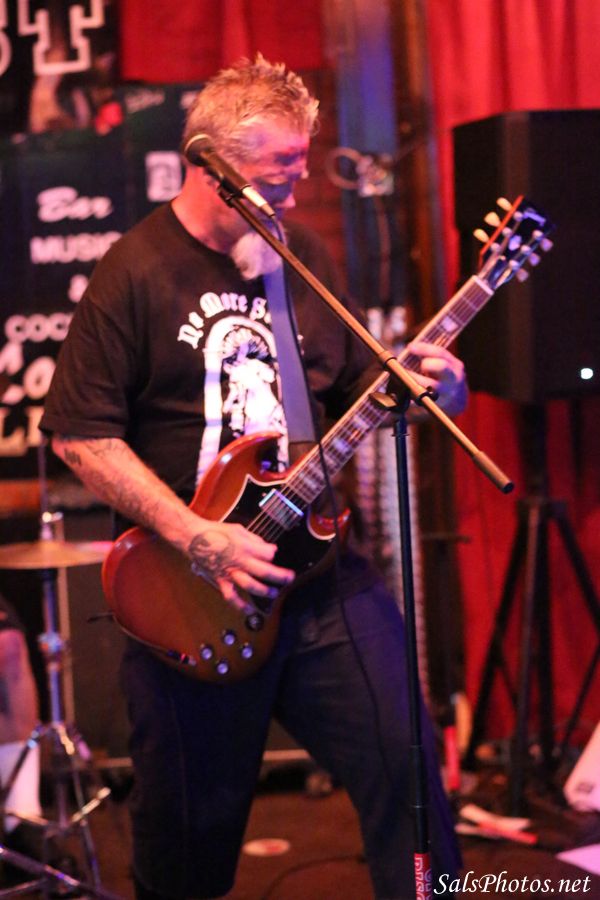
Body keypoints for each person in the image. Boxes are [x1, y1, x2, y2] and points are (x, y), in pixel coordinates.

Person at [41, 56, 467, 900]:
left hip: (320, 581)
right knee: (185, 851)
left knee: (409, 776)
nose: (294, 194)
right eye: (278, 175)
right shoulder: (133, 272)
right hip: (191, 594)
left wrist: (429, 394)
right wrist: (197, 536)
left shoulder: (298, 256)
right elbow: (80, 437)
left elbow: (360, 391)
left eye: (300, 170)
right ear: (211, 166)